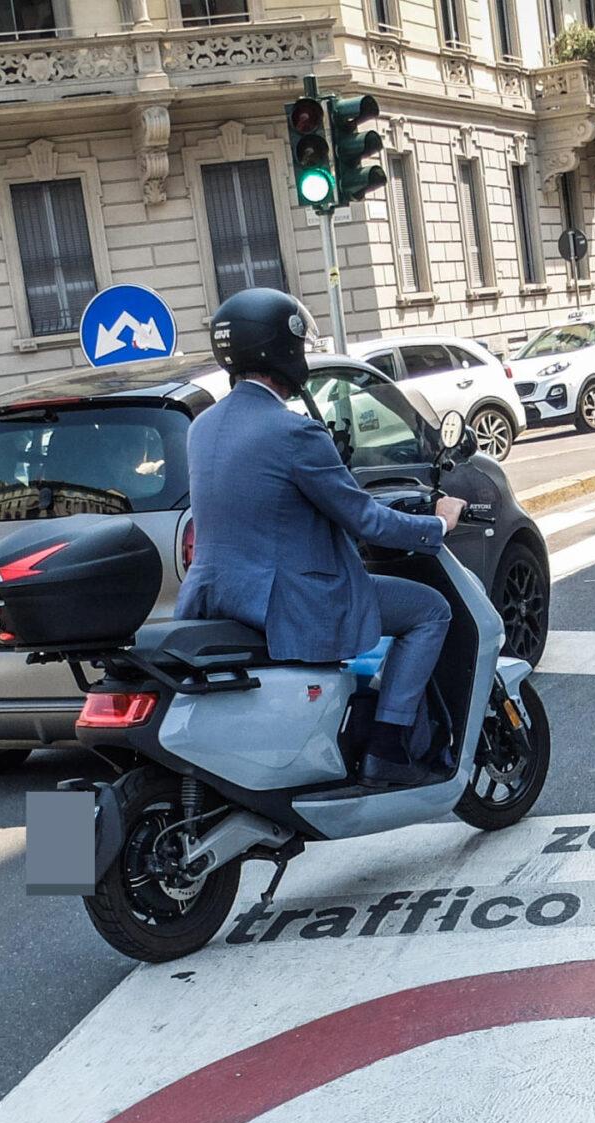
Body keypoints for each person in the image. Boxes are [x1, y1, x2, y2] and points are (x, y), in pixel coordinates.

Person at [177, 288, 464, 789]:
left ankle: (55, 867)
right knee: (430, 610)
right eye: (301, 349)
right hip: (287, 601)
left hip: (213, 597)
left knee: (63, 828)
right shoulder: (293, 432)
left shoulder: (201, 427)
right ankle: (388, 747)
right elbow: (366, 521)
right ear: (282, 352)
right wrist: (437, 524)